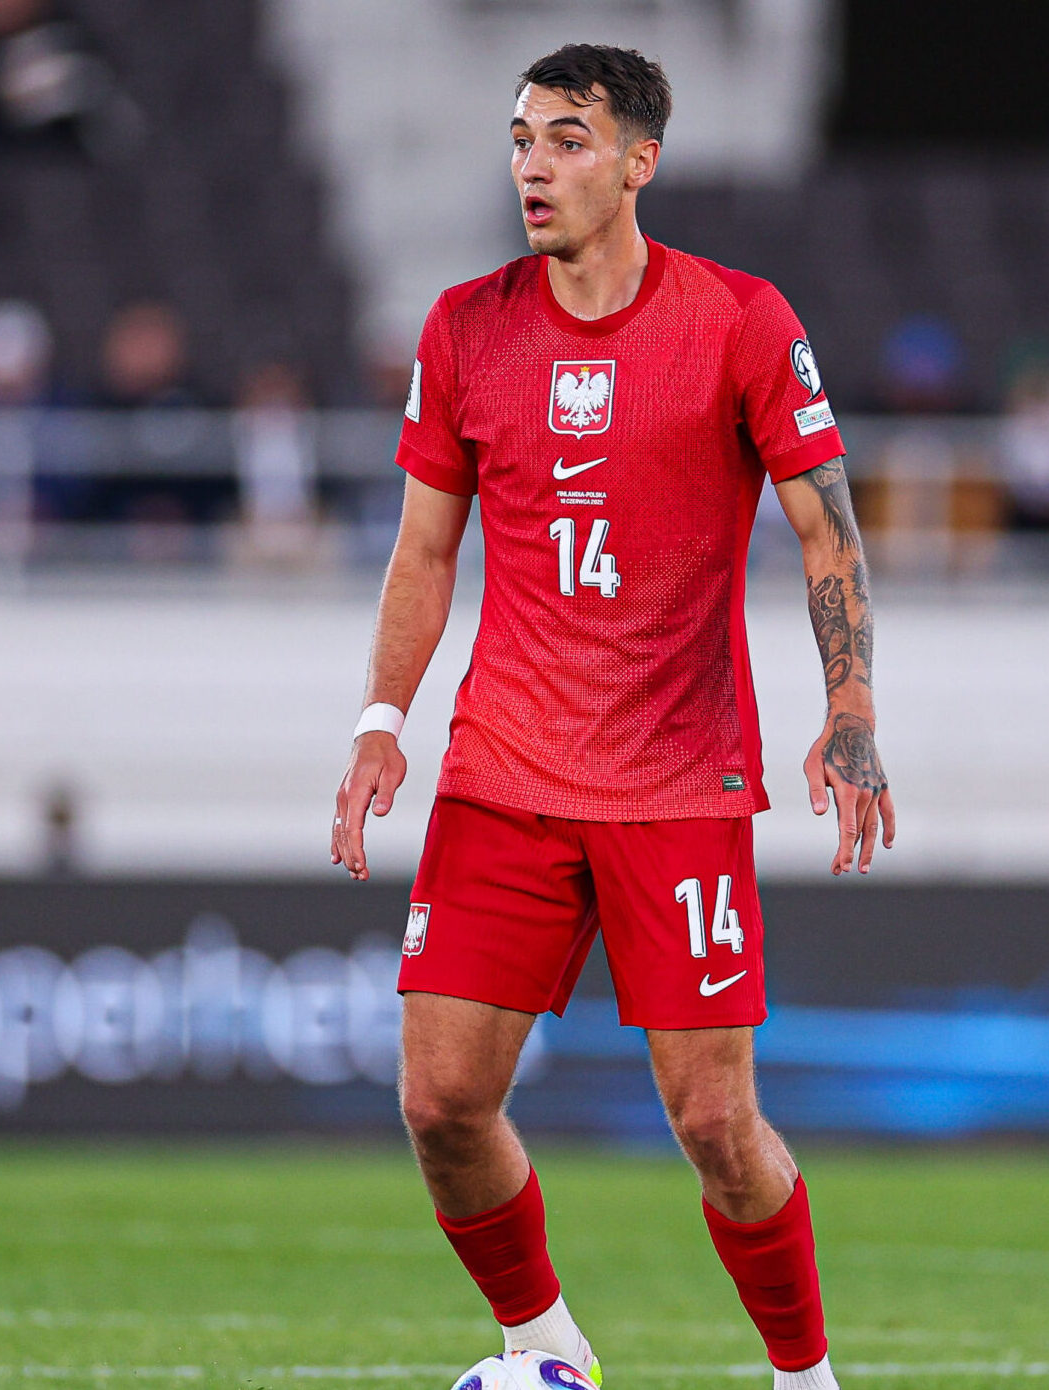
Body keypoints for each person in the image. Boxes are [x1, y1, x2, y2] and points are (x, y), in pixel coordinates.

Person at [329, 44, 892, 1390]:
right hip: (505, 767)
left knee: (715, 1125)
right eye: (521, 138)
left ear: (640, 161)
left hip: (676, 778)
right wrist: (380, 717)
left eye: (567, 140)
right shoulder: (464, 328)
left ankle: (803, 1376)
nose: (532, 165)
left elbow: (826, 529)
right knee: (439, 1100)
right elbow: (423, 552)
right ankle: (543, 1346)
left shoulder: (739, 320)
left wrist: (850, 708)